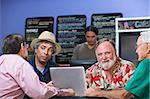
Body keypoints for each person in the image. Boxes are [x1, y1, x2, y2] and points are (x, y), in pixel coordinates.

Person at [0, 33, 74, 99]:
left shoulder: (2, 60)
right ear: (23, 46)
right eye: (43, 48)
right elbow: (39, 92)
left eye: (50, 50)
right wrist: (60, 92)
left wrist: (45, 87)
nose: (46, 52)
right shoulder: (22, 64)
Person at [122, 31, 150, 99]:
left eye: (138, 46)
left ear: (148, 48)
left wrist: (96, 93)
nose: (136, 51)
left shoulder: (146, 64)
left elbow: (124, 95)